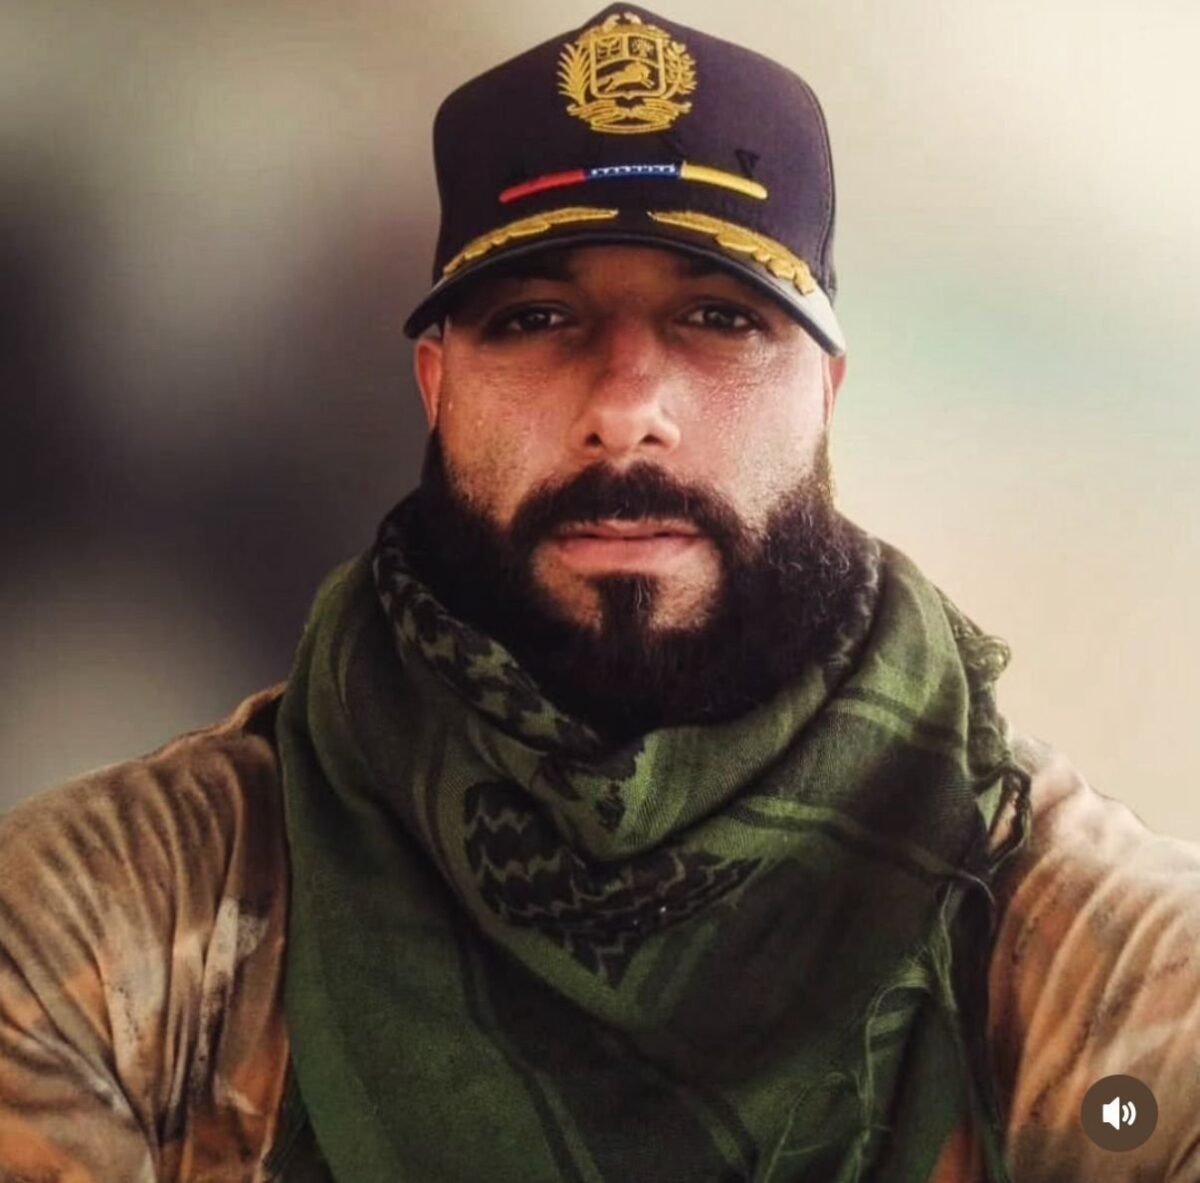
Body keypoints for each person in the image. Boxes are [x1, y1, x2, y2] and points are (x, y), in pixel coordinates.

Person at [1, 6, 1198, 1181]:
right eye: (538, 319)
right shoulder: (92, 927)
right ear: (436, 385)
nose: (626, 409)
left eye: (719, 317)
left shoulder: (1116, 975)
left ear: (826, 390)